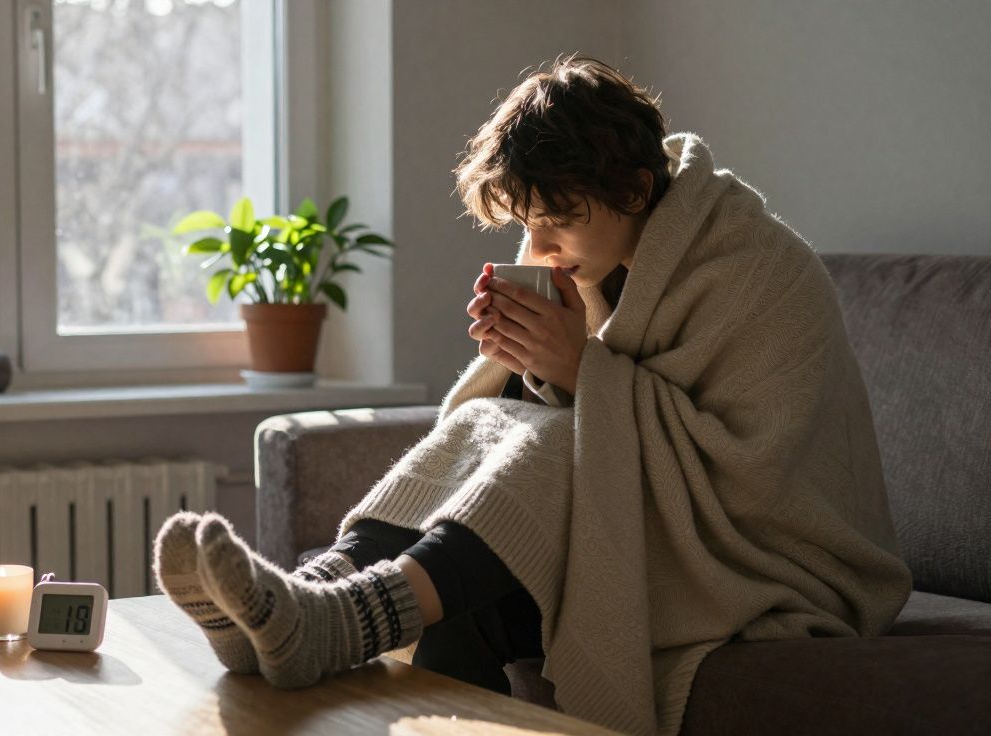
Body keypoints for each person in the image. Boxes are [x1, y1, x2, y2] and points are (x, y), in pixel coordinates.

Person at [154, 55, 912, 736]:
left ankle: (329, 619)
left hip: (776, 563)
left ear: (635, 190)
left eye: (554, 225)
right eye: (525, 224)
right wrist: (532, 362)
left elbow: (750, 472)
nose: (538, 250)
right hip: (649, 524)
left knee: (545, 443)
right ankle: (305, 598)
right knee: (488, 431)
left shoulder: (759, 271)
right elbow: (605, 434)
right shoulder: (602, 252)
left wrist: (581, 370)